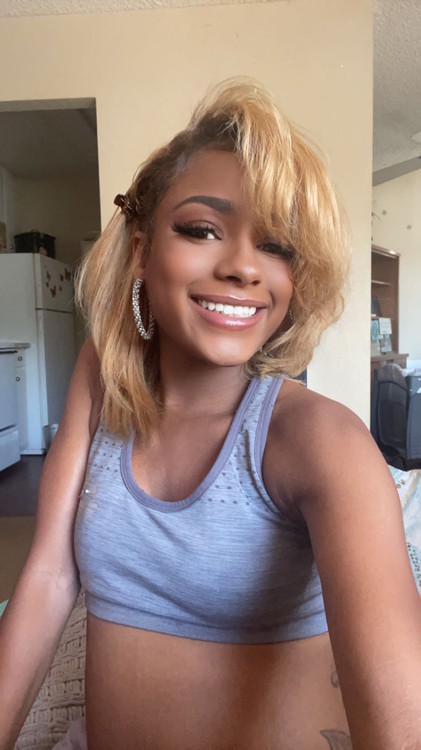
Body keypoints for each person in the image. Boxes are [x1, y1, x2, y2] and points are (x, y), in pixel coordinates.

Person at [1, 79, 420, 750]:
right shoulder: (101, 375)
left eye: (277, 245)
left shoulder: (323, 440)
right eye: (202, 229)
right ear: (141, 249)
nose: (245, 268)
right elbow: (50, 575)